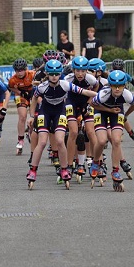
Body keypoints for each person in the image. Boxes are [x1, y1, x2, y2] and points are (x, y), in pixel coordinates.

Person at [25, 59, 97, 190]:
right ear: (47, 73)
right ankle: (33, 170)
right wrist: (31, 116)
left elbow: (85, 92)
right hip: (45, 113)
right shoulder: (42, 87)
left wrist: (100, 97)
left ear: (60, 74)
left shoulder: (65, 85)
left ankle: (64, 169)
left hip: (60, 112)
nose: (54, 76)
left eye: (56, 74)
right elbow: (34, 98)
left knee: (59, 140)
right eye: (51, 74)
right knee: (42, 142)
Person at [90, 70, 134, 192]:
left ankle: (115, 171)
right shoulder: (103, 94)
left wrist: (125, 115)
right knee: (102, 141)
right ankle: (95, 162)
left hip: (117, 112)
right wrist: (109, 110)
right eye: (114, 86)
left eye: (120, 86)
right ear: (110, 85)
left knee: (116, 140)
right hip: (101, 111)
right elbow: (93, 104)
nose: (117, 89)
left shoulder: (127, 94)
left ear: (124, 85)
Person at [8, 58, 35, 155]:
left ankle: (30, 133)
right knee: (22, 116)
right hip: (21, 96)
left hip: (32, 95)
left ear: (26, 69)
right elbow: (10, 87)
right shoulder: (13, 79)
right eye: (17, 71)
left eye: (22, 70)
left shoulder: (32, 74)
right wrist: (20, 92)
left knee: (34, 116)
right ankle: (20, 139)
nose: (19, 73)